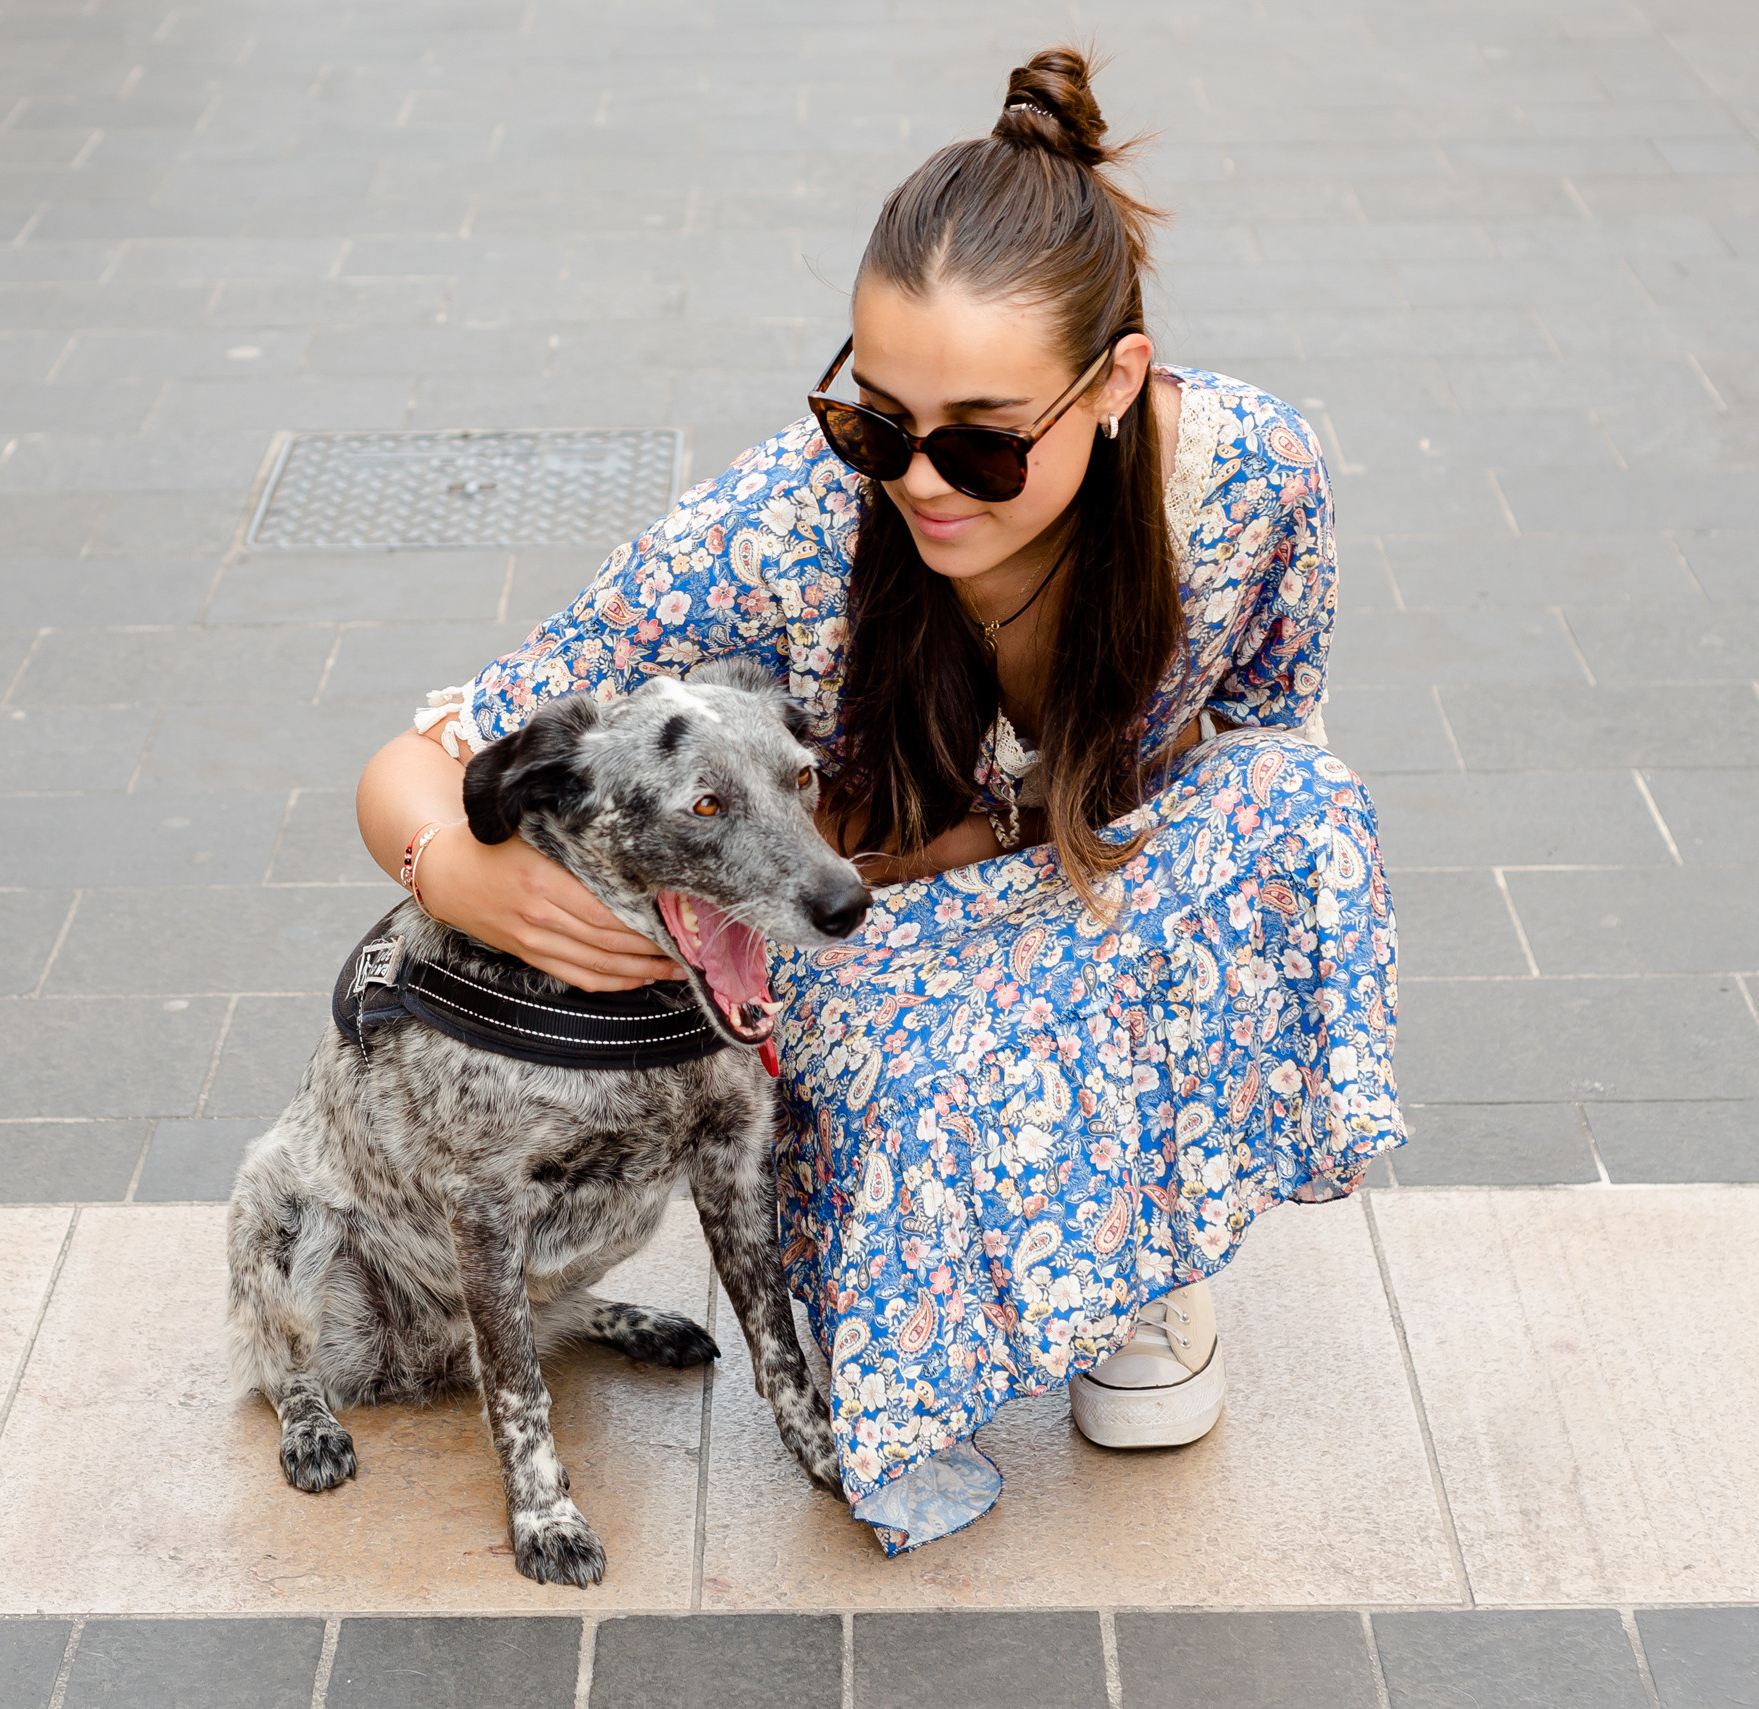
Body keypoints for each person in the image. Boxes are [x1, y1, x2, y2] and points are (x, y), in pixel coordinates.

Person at [353, 46, 1401, 1555]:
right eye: (874, 418)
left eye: (980, 437)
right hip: (877, 931)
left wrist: (1126, 947)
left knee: (1297, 813)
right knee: (876, 1293)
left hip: (1109, 883)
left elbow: (1262, 740)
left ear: (1117, 383)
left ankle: (1139, 1250)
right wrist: (452, 867)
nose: (920, 478)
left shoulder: (1247, 480)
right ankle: (950, 1271)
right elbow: (433, 742)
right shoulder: (790, 514)